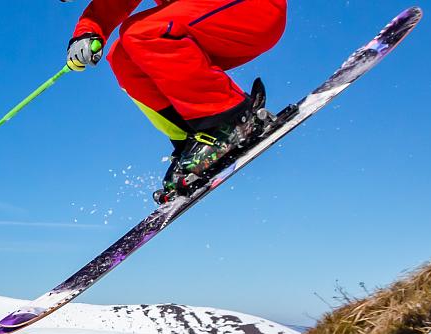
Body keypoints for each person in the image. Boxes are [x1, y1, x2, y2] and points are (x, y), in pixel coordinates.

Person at [65, 0, 288, 202]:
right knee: (123, 57)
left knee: (142, 32)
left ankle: (231, 120)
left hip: (252, 8)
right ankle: (195, 139)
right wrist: (88, 31)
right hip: (210, 21)